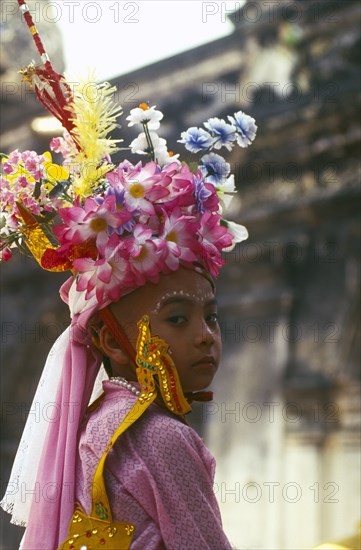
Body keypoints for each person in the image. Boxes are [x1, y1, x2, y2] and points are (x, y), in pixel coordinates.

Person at [0, 2, 257, 547]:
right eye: (178, 318)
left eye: (210, 315)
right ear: (107, 340)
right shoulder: (163, 439)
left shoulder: (94, 426)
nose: (205, 335)